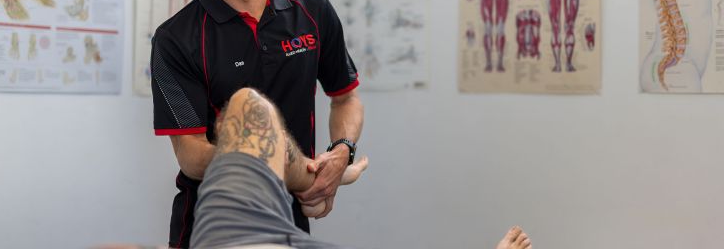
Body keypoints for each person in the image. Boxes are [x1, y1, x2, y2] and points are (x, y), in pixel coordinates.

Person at [151, 0, 364, 248]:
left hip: (292, 218)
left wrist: (341, 152)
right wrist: (305, 176)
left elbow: (345, 97)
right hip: (212, 223)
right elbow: (193, 156)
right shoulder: (174, 40)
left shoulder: (313, 11)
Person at [190, 88, 532, 249]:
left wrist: (335, 162)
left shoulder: (310, 10)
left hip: (234, 237)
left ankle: (311, 178)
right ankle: (313, 178)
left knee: (247, 109)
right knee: (247, 108)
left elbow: (346, 98)